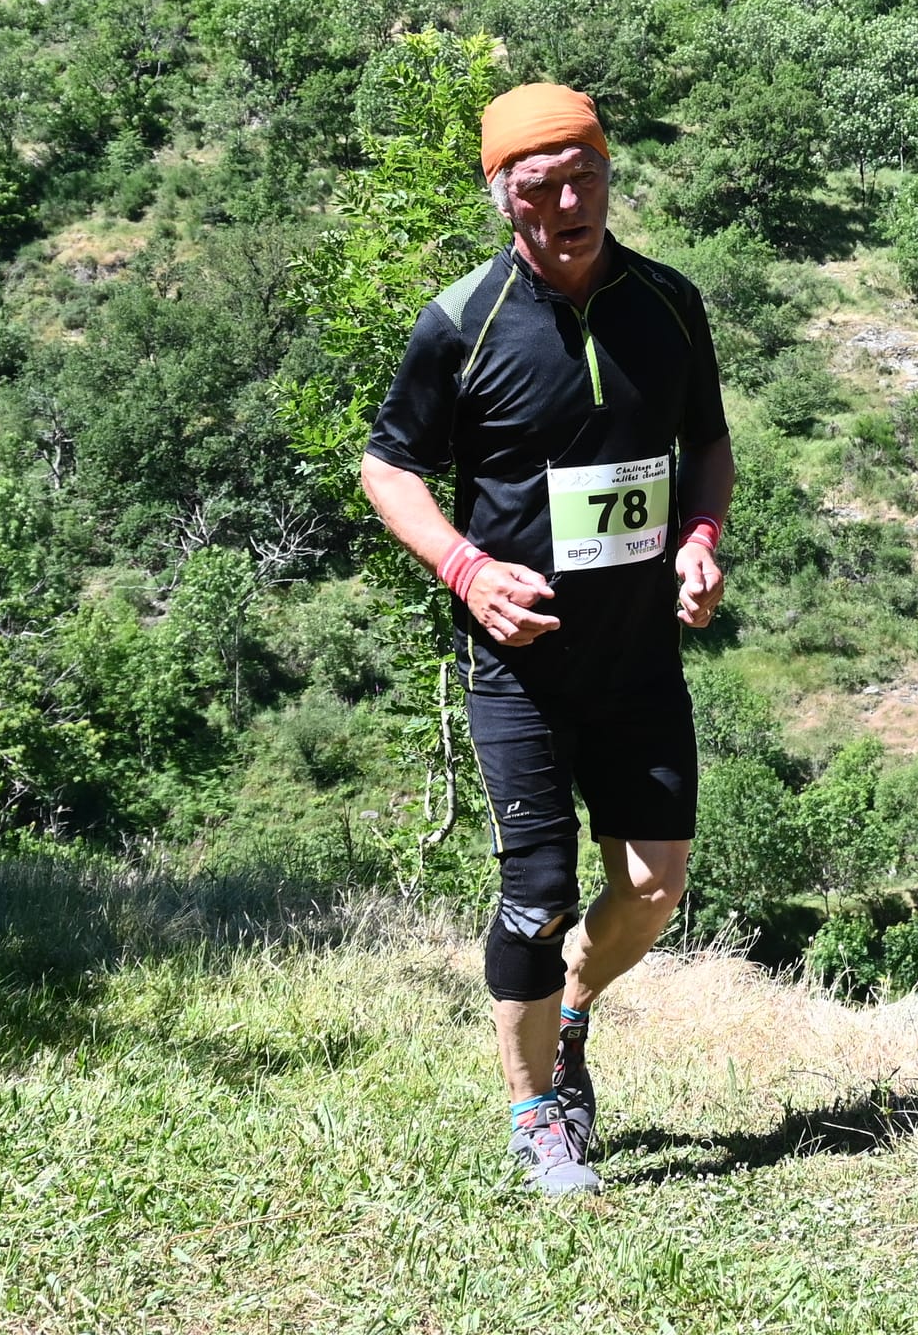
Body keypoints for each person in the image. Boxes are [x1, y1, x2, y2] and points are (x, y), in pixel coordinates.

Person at [360, 82, 736, 1195]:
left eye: (587, 177)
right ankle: (538, 1114)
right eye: (541, 185)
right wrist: (464, 566)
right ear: (501, 196)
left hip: (638, 660)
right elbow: (388, 467)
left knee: (655, 883)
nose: (569, 201)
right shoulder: (459, 323)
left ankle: (571, 1011)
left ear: (610, 175)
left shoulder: (667, 303)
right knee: (538, 892)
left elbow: (705, 441)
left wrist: (701, 535)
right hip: (521, 664)